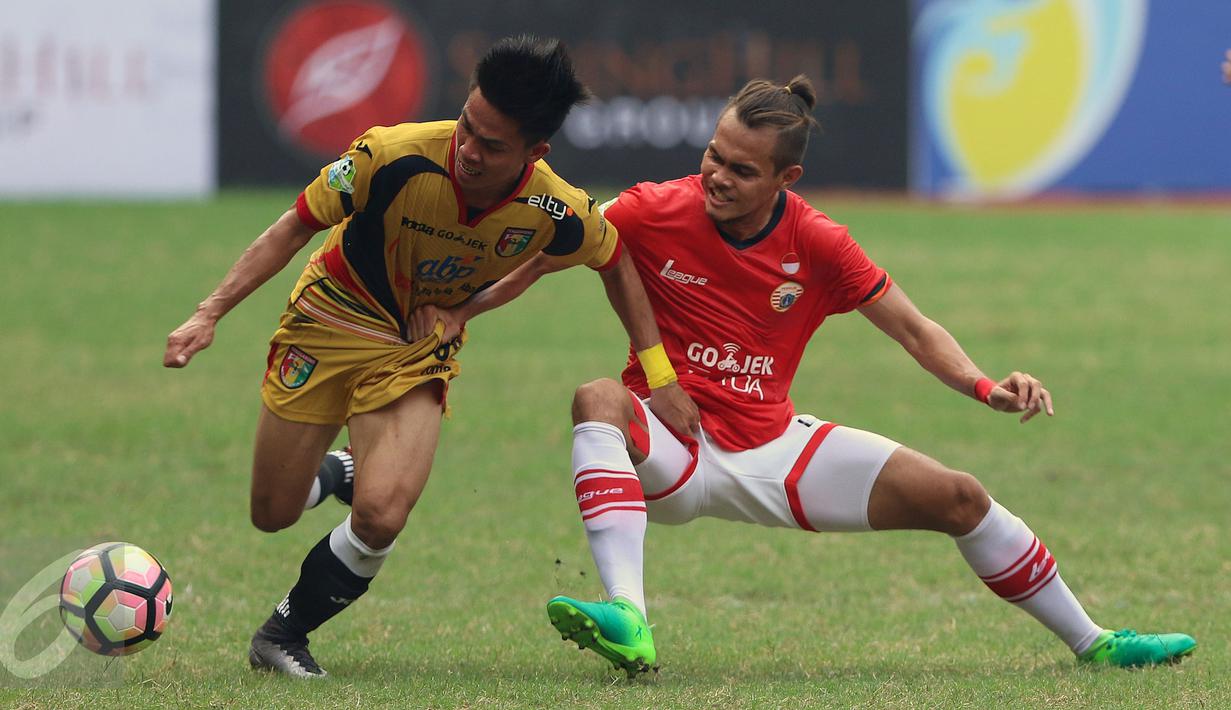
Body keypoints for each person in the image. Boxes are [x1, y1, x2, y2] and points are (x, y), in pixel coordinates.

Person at [462, 75, 1196, 676]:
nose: (715, 175)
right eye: (713, 154)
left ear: (787, 178)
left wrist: (983, 386)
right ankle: (628, 617)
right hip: (673, 448)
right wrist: (463, 308)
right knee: (596, 396)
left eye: (740, 169)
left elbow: (911, 327)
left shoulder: (816, 242)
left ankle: (1094, 643)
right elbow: (549, 252)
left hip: (772, 449)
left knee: (960, 497)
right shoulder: (655, 208)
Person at [163, 35, 697, 678]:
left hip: (415, 347)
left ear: (535, 153)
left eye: (492, 145)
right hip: (331, 317)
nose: (469, 150)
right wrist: (210, 311)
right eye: (468, 127)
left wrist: (659, 374)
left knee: (383, 515)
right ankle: (340, 471)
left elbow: (616, 265)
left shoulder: (559, 209)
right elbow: (294, 224)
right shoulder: (389, 155)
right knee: (271, 512)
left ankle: (283, 635)